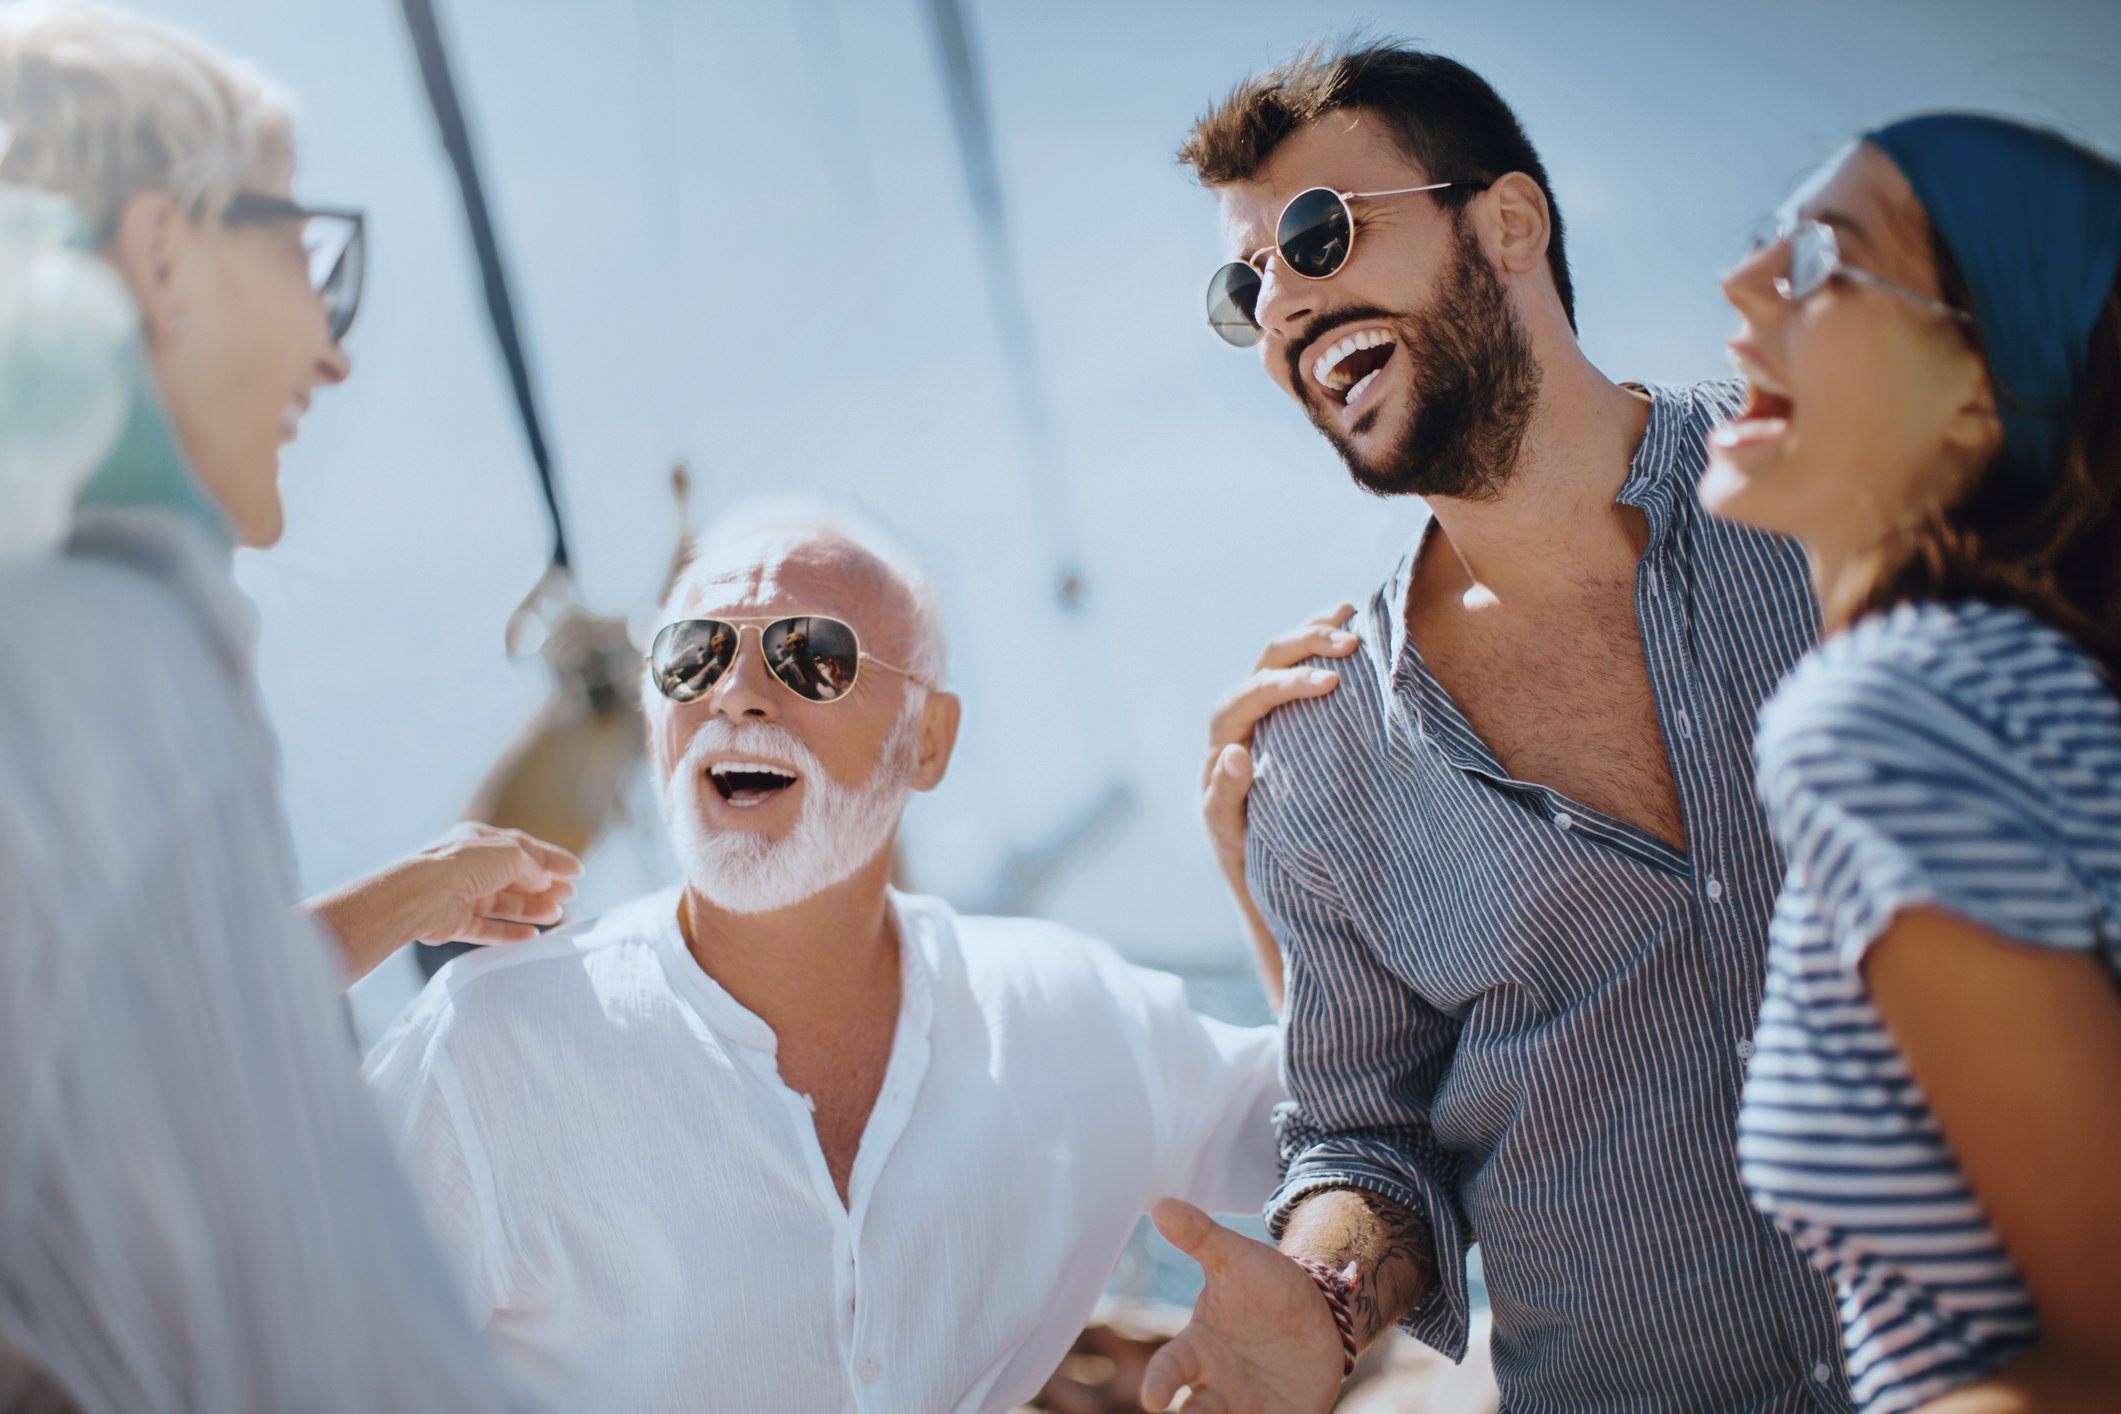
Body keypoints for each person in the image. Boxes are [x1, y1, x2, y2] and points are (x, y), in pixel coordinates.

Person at [1146, 43, 1849, 1413]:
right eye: (1247, 288)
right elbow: (1366, 1135)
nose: (1282, 298)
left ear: (1508, 223)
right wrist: (1328, 1294)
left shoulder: (1842, 495)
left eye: (1315, 232)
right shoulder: (1322, 748)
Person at [363, 503, 1287, 1414]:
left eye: (812, 657)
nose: (737, 695)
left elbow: (1320, 1112)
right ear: (656, 724)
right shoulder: (489, 1049)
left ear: (928, 741)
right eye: (695, 657)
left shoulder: (1067, 1011)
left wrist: (1267, 873)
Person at [0, 4, 568, 1407]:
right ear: (160, 253)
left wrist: (414, 891)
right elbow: (328, 1343)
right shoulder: (113, 646)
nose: (334, 348)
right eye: (303, 253)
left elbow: (118, 1042)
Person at [1705, 115, 2121, 1412]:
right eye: (1769, 239)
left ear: (1987, 389)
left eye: (1828, 256)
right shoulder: (2031, 689)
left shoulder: (1893, 708)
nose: (1745, 282)